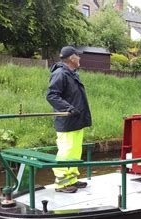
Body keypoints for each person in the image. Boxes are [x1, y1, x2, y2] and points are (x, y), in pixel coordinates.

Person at [46, 46, 92, 193]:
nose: (80, 58)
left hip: (76, 121)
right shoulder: (60, 73)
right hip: (67, 121)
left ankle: (71, 179)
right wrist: (68, 109)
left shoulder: (71, 73)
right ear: (72, 58)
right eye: (78, 56)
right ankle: (62, 183)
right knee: (66, 151)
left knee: (74, 151)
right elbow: (52, 95)